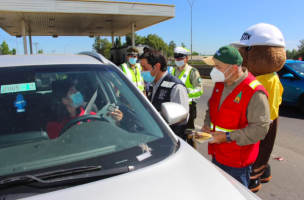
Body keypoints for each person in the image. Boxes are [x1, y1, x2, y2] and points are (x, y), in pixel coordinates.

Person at [201, 45, 271, 188]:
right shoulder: (220, 84)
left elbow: (260, 129)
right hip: (217, 153)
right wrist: (207, 124)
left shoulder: (254, 92)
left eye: (218, 67)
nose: (214, 70)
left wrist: (227, 137)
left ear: (233, 68)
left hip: (237, 162)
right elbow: (211, 107)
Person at [231, 23, 286, 192]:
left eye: (245, 50)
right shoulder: (257, 76)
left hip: (260, 124)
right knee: (259, 152)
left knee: (257, 151)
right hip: (253, 122)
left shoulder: (270, 80)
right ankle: (263, 170)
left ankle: (254, 178)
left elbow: (267, 113)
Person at [47, 79, 123, 139]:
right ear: (65, 100)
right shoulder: (54, 124)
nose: (78, 93)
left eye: (76, 90)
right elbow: (58, 148)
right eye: (73, 91)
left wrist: (115, 120)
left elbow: (107, 132)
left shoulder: (90, 114)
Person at [139, 50, 189, 140]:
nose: (142, 71)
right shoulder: (152, 84)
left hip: (172, 139)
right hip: (156, 136)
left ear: (157, 66)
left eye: (145, 68)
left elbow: (182, 118)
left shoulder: (176, 87)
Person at [172, 47, 203, 146]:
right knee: (176, 132)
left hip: (188, 106)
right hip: (175, 106)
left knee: (189, 134)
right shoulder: (173, 71)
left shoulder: (192, 72)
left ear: (186, 59)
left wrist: (184, 92)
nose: (178, 61)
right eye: (176, 59)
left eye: (180, 59)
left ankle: (192, 153)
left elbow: (199, 90)